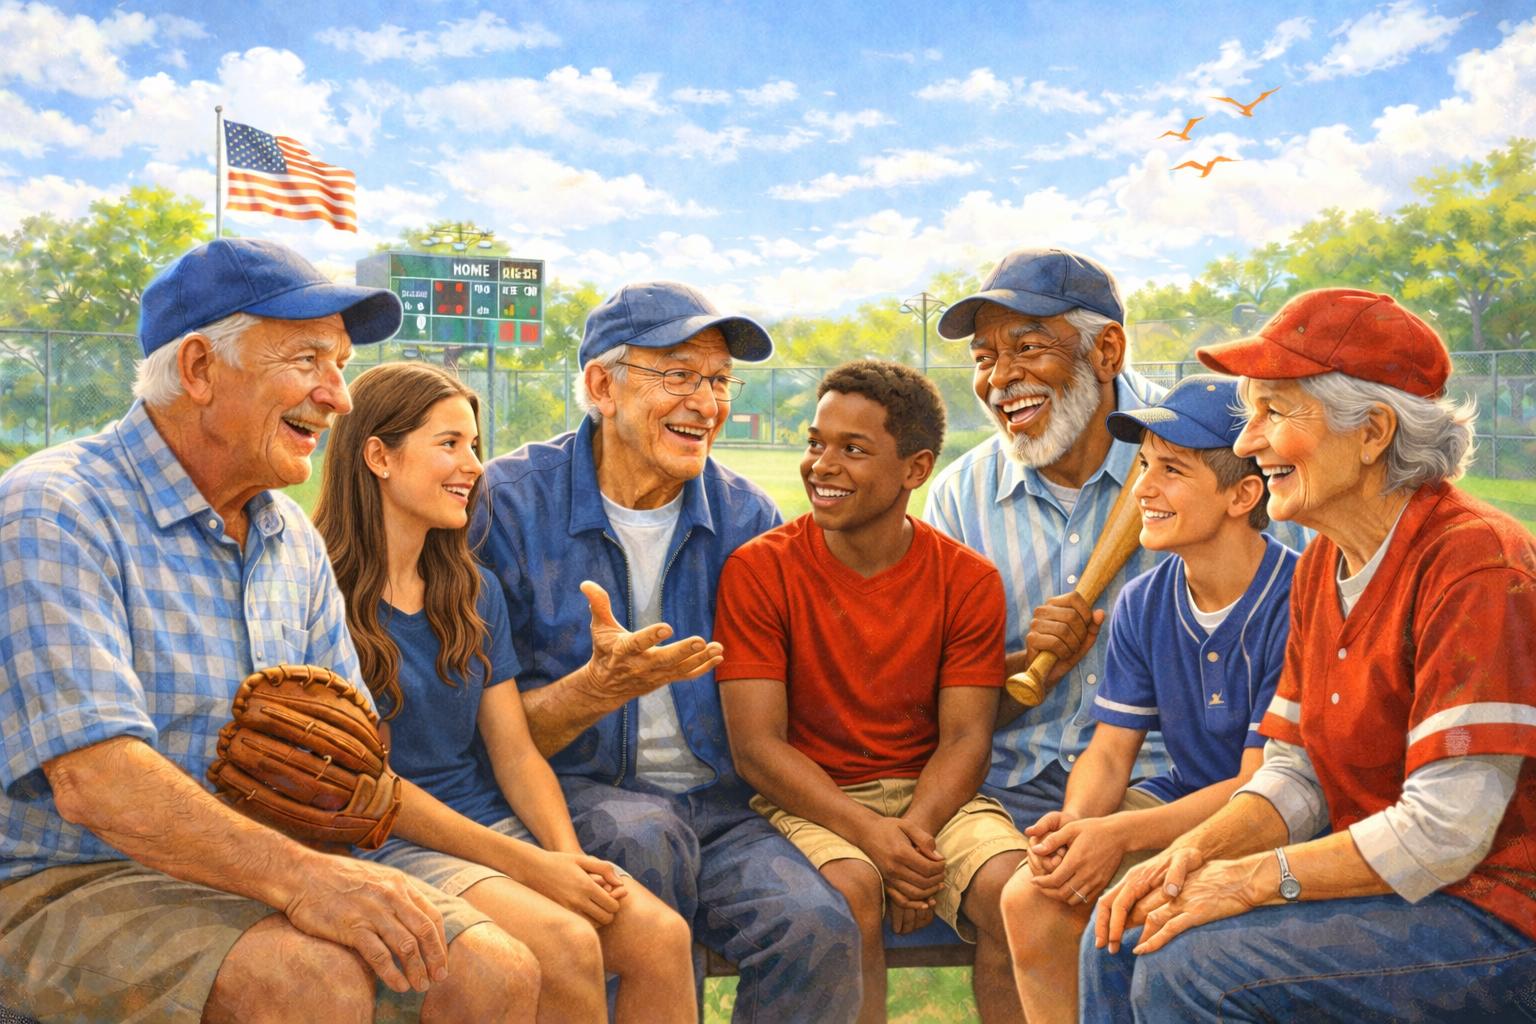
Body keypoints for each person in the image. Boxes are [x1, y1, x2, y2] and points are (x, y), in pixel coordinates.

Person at [0, 240, 537, 1024]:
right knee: (308, 982)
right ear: (198, 370)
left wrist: (351, 819)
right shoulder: (56, 507)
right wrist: (308, 880)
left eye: (342, 363)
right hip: (63, 879)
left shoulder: (287, 531)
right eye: (308, 359)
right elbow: (98, 782)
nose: (339, 396)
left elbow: (356, 748)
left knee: (495, 970)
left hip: (250, 869)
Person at [1083, 288, 1536, 1022]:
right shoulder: (1325, 562)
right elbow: (1298, 774)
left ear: (1373, 431)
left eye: (1276, 412)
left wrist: (1254, 879)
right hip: (1397, 893)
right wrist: (1194, 855)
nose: (1246, 441)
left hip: (1494, 914)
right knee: (1122, 925)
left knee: (1192, 966)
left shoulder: (1476, 560)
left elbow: (1446, 834)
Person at [470, 282, 861, 1022]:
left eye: (717, 381)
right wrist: (591, 692)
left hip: (718, 806)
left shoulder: (748, 514)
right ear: (601, 386)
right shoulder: (506, 505)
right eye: (677, 375)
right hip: (568, 796)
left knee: (817, 927)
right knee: (641, 838)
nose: (705, 402)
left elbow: (787, 701)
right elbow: (479, 735)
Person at [314, 361, 696, 1024]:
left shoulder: (470, 589)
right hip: (384, 840)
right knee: (567, 943)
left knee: (660, 938)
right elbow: (367, 791)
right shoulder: (320, 596)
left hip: (488, 824)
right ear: (378, 455)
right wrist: (529, 865)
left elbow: (515, 754)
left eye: (476, 446)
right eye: (450, 444)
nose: (473, 465)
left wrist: (568, 861)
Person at [716, 361, 1030, 1024]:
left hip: (933, 794)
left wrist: (910, 837)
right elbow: (757, 748)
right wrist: (871, 838)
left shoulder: (967, 580)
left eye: (853, 450)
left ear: (914, 470)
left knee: (1018, 893)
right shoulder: (760, 569)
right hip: (814, 796)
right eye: (815, 442)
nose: (822, 465)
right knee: (850, 891)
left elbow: (967, 738)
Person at [1000, 375, 1297, 1020]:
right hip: (1184, 800)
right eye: (1140, 465)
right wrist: (1080, 825)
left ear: (1244, 493)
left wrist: (1117, 834)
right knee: (1035, 895)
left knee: (1145, 914)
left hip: (1280, 822)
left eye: (1172, 470)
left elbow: (1261, 785)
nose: (1142, 489)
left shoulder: (1297, 600)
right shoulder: (1143, 600)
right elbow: (1109, 754)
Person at [922, 248, 1173, 861]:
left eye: (1028, 348)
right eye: (984, 358)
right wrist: (1027, 662)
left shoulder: (1206, 450)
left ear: (1106, 352)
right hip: (1007, 783)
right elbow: (933, 698)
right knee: (1014, 892)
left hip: (1170, 780)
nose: (1000, 378)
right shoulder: (960, 495)